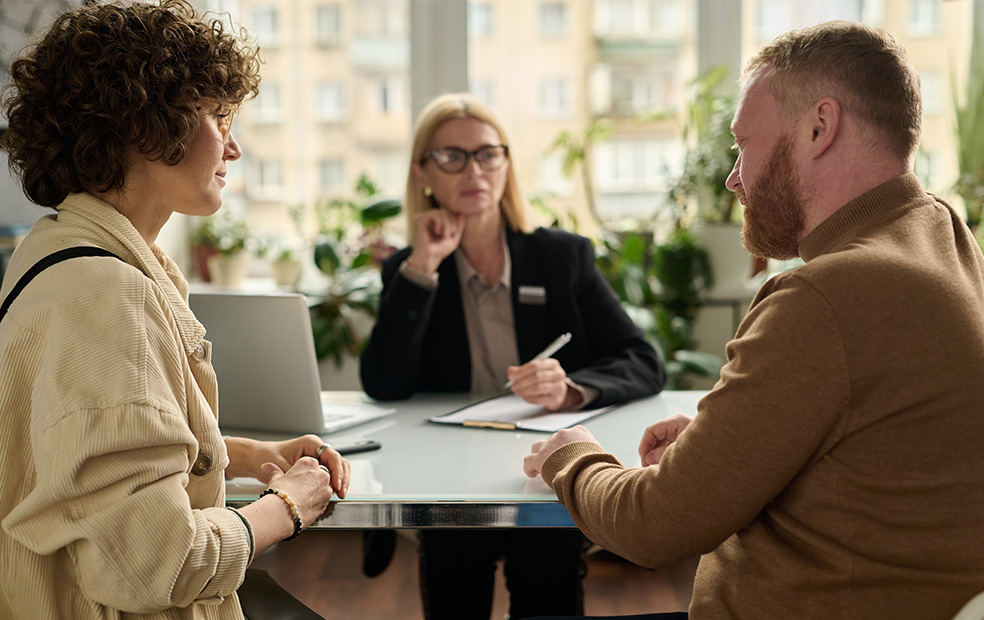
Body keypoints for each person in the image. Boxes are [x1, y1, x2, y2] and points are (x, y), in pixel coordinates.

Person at [523, 20, 984, 620]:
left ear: (820, 127)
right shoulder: (941, 233)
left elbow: (654, 526)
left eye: (744, 145)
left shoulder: (826, 294)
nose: (732, 178)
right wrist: (725, 444)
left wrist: (571, 452)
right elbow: (880, 445)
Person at [0, 2, 350, 618]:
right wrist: (287, 506)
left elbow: (87, 468)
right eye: (218, 116)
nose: (234, 147)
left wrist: (245, 456)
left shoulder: (57, 251)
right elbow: (154, 565)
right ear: (143, 125)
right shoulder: (110, 295)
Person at [359, 93, 666, 619]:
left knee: (547, 582)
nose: (473, 169)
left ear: (505, 164)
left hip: (541, 468)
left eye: (487, 154)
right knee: (454, 577)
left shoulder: (560, 256)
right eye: (452, 156)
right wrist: (425, 268)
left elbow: (643, 359)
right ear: (423, 172)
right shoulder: (410, 269)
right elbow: (385, 382)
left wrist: (571, 388)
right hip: (449, 475)